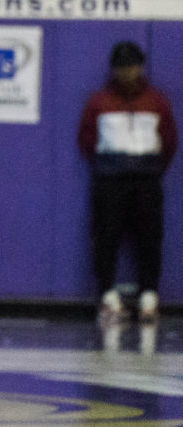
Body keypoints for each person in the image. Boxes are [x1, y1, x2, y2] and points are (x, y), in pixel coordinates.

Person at [78, 40, 177, 323]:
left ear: (140, 67)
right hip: (110, 180)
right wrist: (108, 165)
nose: (126, 73)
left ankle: (149, 298)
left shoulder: (157, 101)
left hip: (146, 180)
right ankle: (108, 298)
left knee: (149, 239)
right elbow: (86, 140)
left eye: (131, 67)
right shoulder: (99, 102)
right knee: (106, 239)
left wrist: (152, 168)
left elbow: (169, 141)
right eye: (121, 68)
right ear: (114, 70)